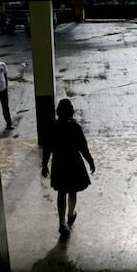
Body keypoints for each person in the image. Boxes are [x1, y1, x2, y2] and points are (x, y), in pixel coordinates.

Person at [41, 98, 96, 238]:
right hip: (74, 162)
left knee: (61, 193)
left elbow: (47, 148)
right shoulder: (75, 128)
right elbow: (83, 148)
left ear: (58, 112)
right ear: (71, 112)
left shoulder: (52, 127)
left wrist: (44, 164)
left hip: (59, 163)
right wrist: (90, 161)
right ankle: (70, 214)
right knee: (72, 191)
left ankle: (61, 223)